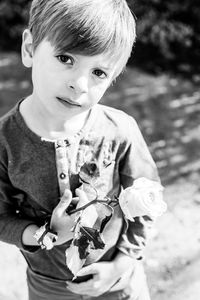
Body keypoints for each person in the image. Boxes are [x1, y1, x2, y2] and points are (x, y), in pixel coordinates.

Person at [0, 0, 160, 299]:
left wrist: (123, 263)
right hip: (49, 286)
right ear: (29, 48)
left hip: (118, 280)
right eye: (65, 58)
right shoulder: (5, 140)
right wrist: (46, 235)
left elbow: (147, 201)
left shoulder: (120, 129)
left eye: (99, 72)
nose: (79, 84)